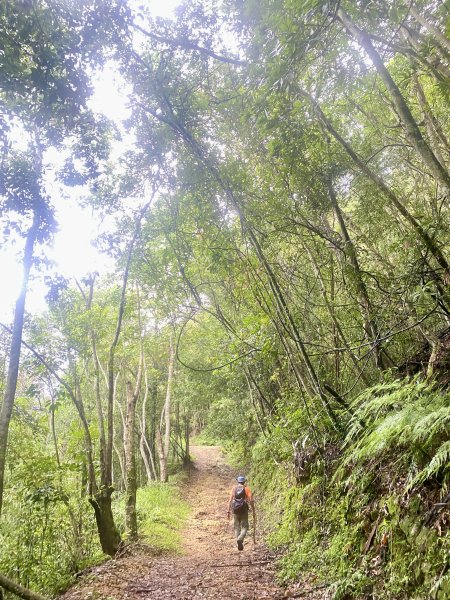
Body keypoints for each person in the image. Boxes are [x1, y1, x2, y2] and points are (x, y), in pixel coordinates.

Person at [227, 475, 256, 551]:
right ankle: (240, 539)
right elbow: (251, 500)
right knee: (245, 527)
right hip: (244, 510)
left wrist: (228, 511)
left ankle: (238, 541)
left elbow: (230, 500)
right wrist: (253, 510)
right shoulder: (246, 489)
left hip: (235, 510)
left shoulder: (234, 489)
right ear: (244, 482)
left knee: (237, 527)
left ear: (238, 481)